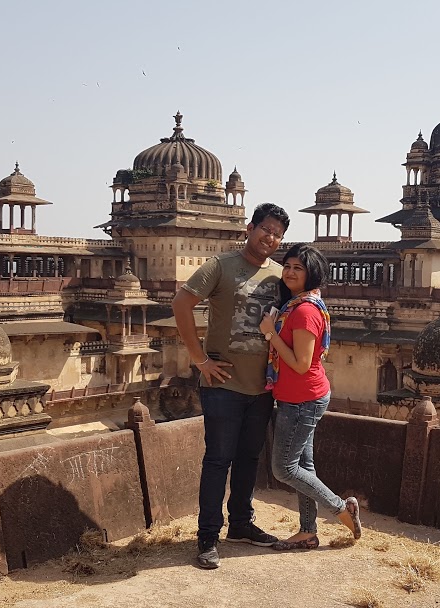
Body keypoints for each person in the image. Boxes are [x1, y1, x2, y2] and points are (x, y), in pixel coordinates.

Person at [171, 202, 290, 570]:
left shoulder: (280, 276)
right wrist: (199, 359)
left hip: (262, 388)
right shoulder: (221, 266)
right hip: (222, 384)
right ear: (250, 229)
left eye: (277, 234)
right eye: (265, 229)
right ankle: (208, 536)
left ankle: (240, 524)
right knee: (218, 460)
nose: (270, 237)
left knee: (249, 459)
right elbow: (181, 304)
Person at [258, 243, 361, 551]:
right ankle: (307, 532)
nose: (290, 272)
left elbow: (301, 364)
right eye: (287, 266)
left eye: (298, 268)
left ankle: (341, 509)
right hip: (299, 397)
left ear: (311, 274)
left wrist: (270, 333)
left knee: (284, 468)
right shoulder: (296, 304)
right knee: (303, 466)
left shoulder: (304, 311)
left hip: (303, 399)